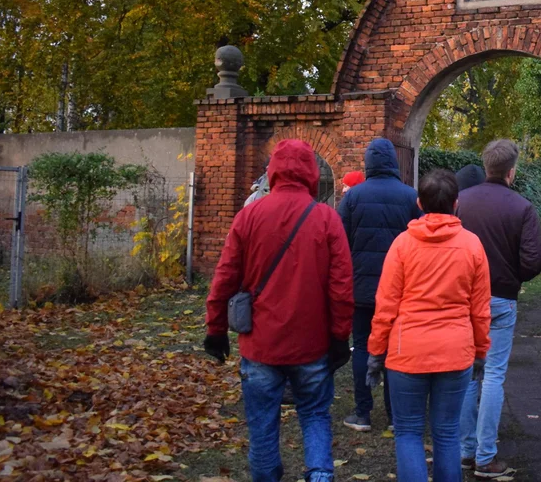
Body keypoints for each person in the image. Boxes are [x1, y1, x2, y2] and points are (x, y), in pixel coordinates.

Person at [204, 139, 354, 482]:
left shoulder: (249, 216)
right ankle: (319, 475)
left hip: (260, 344)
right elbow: (342, 287)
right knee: (315, 415)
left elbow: (225, 276)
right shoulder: (327, 219)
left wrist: (215, 328)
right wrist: (339, 336)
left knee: (262, 427)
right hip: (312, 344)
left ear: (273, 172)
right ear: (311, 173)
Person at [365, 169, 492, 482]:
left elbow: (386, 306)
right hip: (455, 351)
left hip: (407, 352)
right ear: (456, 203)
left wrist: (376, 351)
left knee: (408, 433)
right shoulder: (472, 246)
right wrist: (480, 351)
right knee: (447, 433)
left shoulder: (402, 245)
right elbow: (480, 309)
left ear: (420, 202)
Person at [458, 139, 541, 479]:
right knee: (493, 374)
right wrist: (514, 276)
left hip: (464, 298)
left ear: (486, 168)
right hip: (501, 298)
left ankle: (467, 450)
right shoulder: (521, 207)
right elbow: (534, 257)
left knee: (467, 373)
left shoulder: (460, 202)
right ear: (512, 171)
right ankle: (485, 456)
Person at [337, 138, 422, 432]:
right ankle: (395, 414)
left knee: (361, 346)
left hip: (360, 287)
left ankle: (362, 413)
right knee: (395, 349)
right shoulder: (410, 197)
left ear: (368, 163)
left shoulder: (352, 198)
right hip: (399, 290)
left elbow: (339, 242)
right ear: (393, 163)